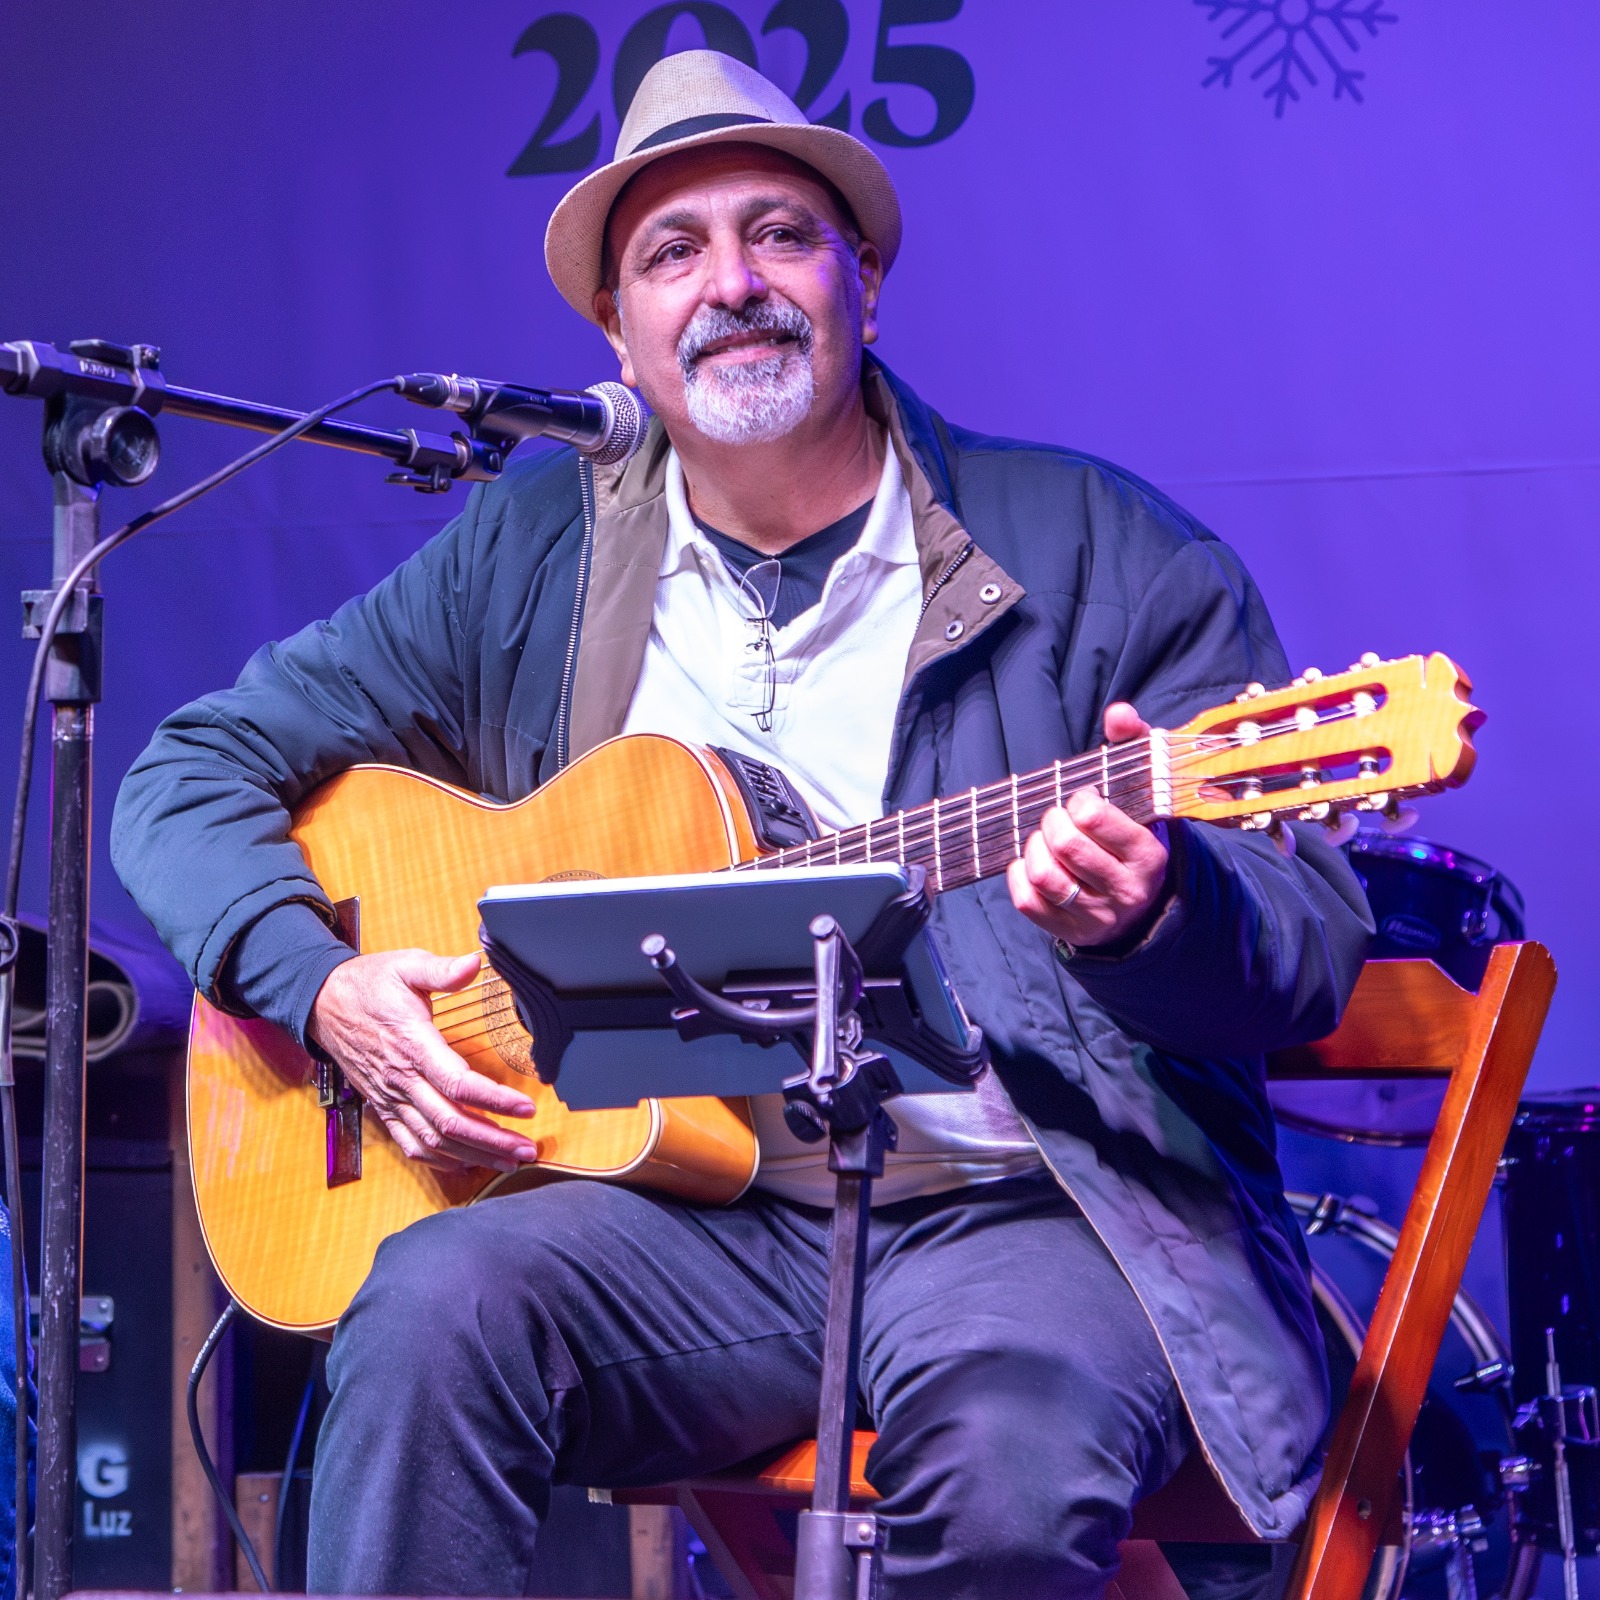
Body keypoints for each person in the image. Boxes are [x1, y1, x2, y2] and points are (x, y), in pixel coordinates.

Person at [112, 50, 1371, 1600]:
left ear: (865, 284)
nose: (731, 285)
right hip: (703, 1221)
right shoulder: (534, 554)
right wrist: (323, 988)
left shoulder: (1106, 547)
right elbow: (190, 772)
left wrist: (1153, 916)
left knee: (1007, 1469)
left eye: (780, 234)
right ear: (619, 335)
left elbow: (1306, 936)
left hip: (1033, 1208)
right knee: (434, 1310)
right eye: (673, 252)